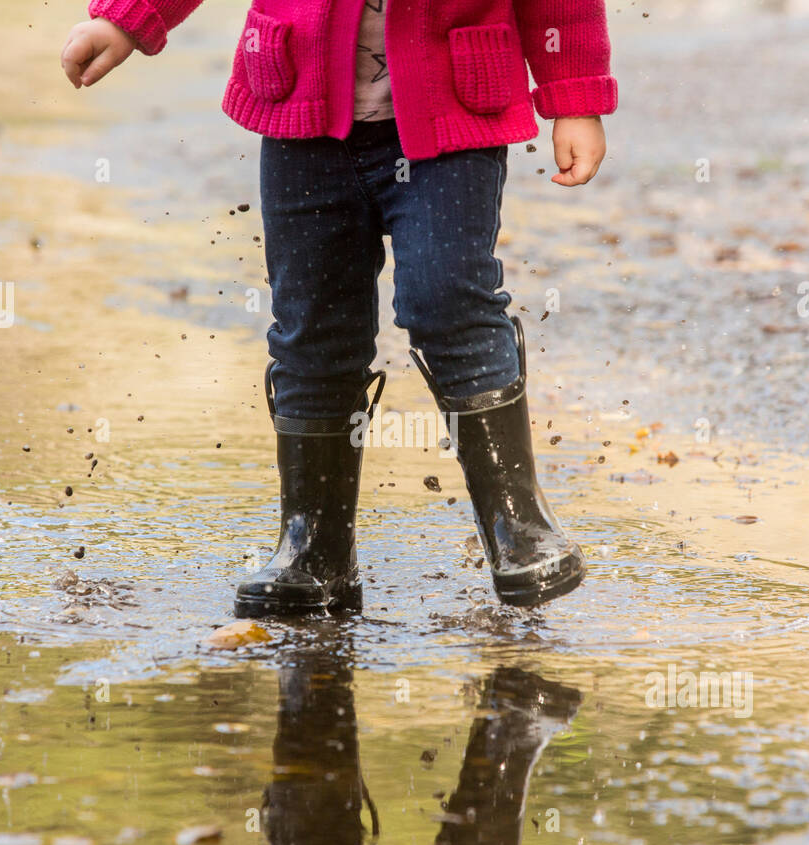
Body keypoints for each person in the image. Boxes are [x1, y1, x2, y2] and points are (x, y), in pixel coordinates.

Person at [61, 0, 617, 616]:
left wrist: (574, 97)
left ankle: (518, 523)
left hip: (449, 112)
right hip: (304, 116)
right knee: (312, 324)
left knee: (448, 301)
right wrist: (127, 20)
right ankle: (314, 546)